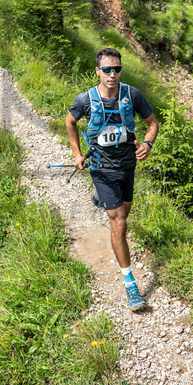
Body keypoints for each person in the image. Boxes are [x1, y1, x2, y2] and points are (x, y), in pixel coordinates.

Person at [65, 47, 159, 311]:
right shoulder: (86, 100)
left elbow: (152, 122)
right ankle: (131, 285)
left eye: (116, 69)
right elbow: (70, 121)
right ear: (98, 71)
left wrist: (148, 144)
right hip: (101, 168)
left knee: (124, 215)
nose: (112, 74)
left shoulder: (132, 95)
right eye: (106, 69)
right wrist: (76, 154)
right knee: (118, 223)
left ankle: (102, 198)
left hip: (127, 166)